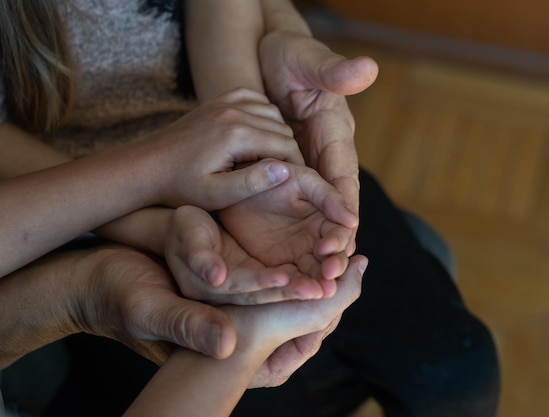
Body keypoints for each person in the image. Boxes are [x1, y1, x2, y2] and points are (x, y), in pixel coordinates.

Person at [1, 0, 501, 416]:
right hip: (79, 209)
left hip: (232, 161)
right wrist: (145, 220)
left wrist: (254, 151)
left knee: (457, 376)